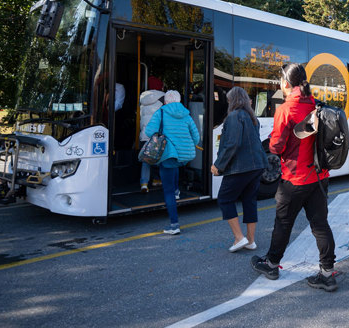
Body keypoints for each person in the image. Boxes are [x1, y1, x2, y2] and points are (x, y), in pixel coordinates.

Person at [250, 63, 338, 292]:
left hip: (295, 177)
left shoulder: (286, 108)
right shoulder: (315, 104)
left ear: (285, 83)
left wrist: (272, 141)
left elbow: (276, 147)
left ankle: (271, 264)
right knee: (320, 225)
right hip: (319, 175)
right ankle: (327, 273)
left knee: (283, 223)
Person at [211, 87, 269, 252]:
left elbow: (232, 144)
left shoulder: (234, 116)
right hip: (257, 165)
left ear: (234, 100)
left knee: (224, 199)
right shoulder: (252, 117)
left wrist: (218, 166)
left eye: (229, 100)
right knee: (249, 201)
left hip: (241, 167)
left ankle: (239, 237)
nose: (228, 103)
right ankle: (251, 241)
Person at [144, 90, 200, 235]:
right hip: (184, 155)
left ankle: (174, 225)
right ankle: (176, 190)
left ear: (166, 101)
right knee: (174, 165)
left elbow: (149, 131)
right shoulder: (186, 114)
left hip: (168, 153)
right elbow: (196, 137)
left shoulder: (161, 113)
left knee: (167, 190)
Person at [139, 80, 164, 192]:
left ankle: (144, 183)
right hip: (157, 135)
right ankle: (157, 179)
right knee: (159, 158)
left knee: (146, 159)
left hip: (145, 134)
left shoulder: (143, 99)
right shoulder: (163, 98)